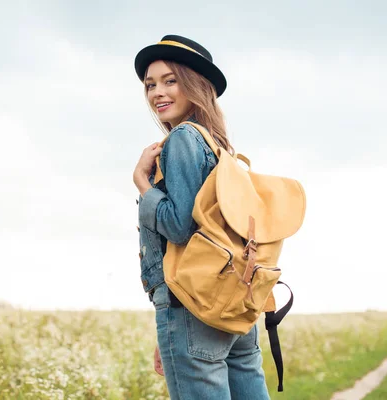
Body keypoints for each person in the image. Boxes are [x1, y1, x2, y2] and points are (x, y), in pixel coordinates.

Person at [133, 35, 271, 399]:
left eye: (169, 80)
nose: (157, 92)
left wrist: (142, 184)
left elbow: (179, 228)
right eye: (150, 84)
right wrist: (167, 333)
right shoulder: (222, 148)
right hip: (234, 308)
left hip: (192, 308)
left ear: (195, 85)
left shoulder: (181, 139)